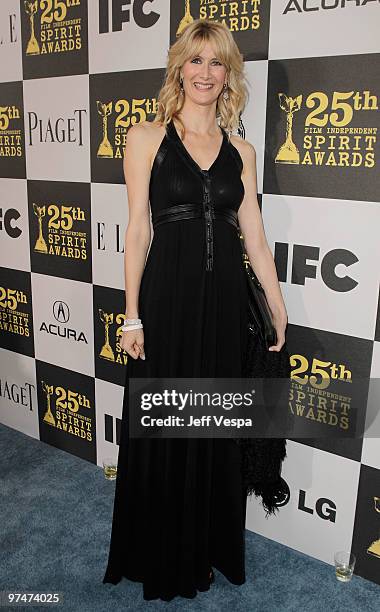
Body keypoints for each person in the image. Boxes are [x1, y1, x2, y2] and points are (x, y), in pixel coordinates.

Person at [102, 18, 289, 602]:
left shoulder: (243, 150)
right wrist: (131, 314)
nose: (206, 73)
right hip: (167, 301)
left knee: (213, 430)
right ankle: (160, 551)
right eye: (196, 60)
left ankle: (206, 546)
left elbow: (254, 235)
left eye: (217, 63)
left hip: (227, 307)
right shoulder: (146, 137)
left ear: (228, 73)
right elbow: (136, 231)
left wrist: (276, 305)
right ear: (179, 67)